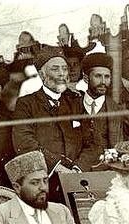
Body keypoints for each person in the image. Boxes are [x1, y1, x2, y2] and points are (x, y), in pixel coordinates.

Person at [12, 46, 83, 203]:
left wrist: (78, 169)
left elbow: (91, 140)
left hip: (78, 181)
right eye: (55, 69)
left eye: (64, 68)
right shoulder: (26, 104)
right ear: (42, 74)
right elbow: (24, 143)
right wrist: (57, 167)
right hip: (44, 184)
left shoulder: (77, 101)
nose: (62, 74)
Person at [76, 53, 129, 171]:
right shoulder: (73, 106)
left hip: (109, 173)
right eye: (98, 76)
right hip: (77, 171)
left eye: (107, 77)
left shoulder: (118, 109)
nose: (103, 82)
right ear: (86, 78)